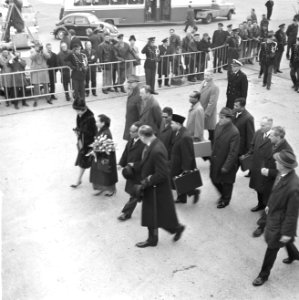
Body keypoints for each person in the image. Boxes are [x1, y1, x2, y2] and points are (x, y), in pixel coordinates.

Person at [252, 150, 299, 287]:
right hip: (274, 214)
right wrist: (269, 206)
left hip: (281, 222)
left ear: (284, 165)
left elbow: (292, 213)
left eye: (277, 161)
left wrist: (287, 232)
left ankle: (263, 275)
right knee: (283, 241)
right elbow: (276, 192)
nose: (275, 162)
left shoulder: (294, 187)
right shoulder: (281, 173)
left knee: (272, 246)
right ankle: (295, 255)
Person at [133, 125, 185, 248]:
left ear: (142, 136)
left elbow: (162, 173)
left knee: (155, 214)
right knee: (158, 214)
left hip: (156, 188)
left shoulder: (156, 150)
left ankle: (153, 239)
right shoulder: (154, 143)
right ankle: (175, 229)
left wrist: (147, 181)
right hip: (155, 187)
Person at [252, 127, 293, 238]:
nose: (269, 137)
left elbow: (284, 172)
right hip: (265, 178)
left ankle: (262, 227)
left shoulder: (286, 151)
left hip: (275, 183)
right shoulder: (272, 143)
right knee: (262, 197)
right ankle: (261, 206)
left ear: (278, 137)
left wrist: (268, 172)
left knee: (270, 205)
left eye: (271, 135)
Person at [210, 107, 240, 209]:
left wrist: (226, 166)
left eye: (222, 118)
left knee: (227, 183)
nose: (219, 120)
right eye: (219, 117)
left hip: (226, 163)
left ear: (229, 119)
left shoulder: (234, 132)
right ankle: (223, 195)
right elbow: (215, 142)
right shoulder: (218, 126)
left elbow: (233, 152)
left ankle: (225, 200)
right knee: (214, 179)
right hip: (216, 159)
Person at [118, 121, 145, 221]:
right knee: (136, 194)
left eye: (132, 131)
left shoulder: (144, 144)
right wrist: (121, 163)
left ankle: (126, 213)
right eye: (130, 131)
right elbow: (126, 153)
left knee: (134, 194)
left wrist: (135, 165)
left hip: (140, 174)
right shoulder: (131, 140)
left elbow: (146, 161)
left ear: (139, 132)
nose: (130, 133)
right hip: (131, 173)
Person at [170, 113, 200, 204]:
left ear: (178, 124)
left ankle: (194, 192)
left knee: (180, 181)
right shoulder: (179, 132)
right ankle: (182, 198)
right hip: (176, 162)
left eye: (172, 123)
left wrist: (186, 169)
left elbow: (187, 154)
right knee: (176, 181)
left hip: (181, 164)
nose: (170, 125)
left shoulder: (185, 137)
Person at [246, 117, 273, 212]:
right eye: (260, 125)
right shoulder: (258, 133)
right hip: (257, 166)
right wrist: (248, 155)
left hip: (266, 168)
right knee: (257, 187)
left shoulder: (274, 137)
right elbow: (252, 146)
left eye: (263, 125)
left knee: (266, 190)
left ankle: (266, 207)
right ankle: (260, 204)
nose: (260, 127)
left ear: (269, 126)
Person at [90, 114, 118, 196]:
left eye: (97, 121)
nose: (96, 123)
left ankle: (112, 190)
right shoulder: (101, 130)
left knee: (106, 173)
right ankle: (100, 188)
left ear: (103, 123)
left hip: (105, 156)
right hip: (99, 155)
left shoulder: (106, 133)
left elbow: (106, 147)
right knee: (98, 173)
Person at [71, 101, 97, 188]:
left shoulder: (90, 118)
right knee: (83, 161)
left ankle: (97, 182)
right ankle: (79, 179)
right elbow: (79, 126)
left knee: (94, 162)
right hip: (82, 142)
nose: (77, 113)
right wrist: (77, 131)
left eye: (78, 111)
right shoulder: (79, 114)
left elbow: (93, 132)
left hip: (90, 143)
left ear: (83, 109)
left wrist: (81, 131)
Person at [198, 70, 219, 143]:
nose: (206, 77)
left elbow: (212, 102)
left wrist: (206, 114)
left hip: (208, 113)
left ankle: (212, 146)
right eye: (205, 75)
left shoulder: (214, 87)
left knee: (211, 131)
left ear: (212, 76)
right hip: (201, 110)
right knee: (200, 129)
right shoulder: (203, 83)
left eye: (208, 75)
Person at [233, 97, 255, 162]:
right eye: (234, 105)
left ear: (242, 107)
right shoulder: (233, 112)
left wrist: (247, 153)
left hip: (239, 149)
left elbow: (250, 136)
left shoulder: (248, 118)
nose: (234, 107)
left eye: (236, 106)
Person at [30, 42, 51, 107]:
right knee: (36, 87)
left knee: (46, 86)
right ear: (35, 46)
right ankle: (35, 100)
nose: (38, 47)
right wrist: (37, 51)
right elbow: (31, 57)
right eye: (37, 46)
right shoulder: (33, 50)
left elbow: (48, 56)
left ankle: (48, 99)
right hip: (36, 70)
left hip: (43, 70)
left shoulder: (43, 50)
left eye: (39, 46)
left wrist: (42, 51)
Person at [123, 74, 142, 140]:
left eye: (131, 82)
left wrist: (137, 127)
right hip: (130, 125)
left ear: (136, 83)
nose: (128, 84)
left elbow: (142, 115)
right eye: (128, 82)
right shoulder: (131, 94)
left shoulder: (138, 97)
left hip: (135, 129)